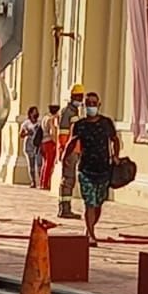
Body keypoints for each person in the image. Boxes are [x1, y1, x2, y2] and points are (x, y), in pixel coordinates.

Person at [64, 92, 119, 246]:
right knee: (89, 202)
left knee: (98, 204)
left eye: (94, 103)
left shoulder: (106, 123)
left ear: (99, 105)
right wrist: (64, 158)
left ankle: (90, 229)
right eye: (88, 103)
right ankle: (91, 236)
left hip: (103, 170)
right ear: (84, 105)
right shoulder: (79, 125)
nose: (91, 106)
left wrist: (115, 156)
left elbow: (115, 140)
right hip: (85, 170)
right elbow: (71, 142)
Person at [56, 83, 86, 219]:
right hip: (69, 150)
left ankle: (65, 207)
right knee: (68, 179)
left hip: (74, 150)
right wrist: (65, 150)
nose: (80, 99)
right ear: (72, 96)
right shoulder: (68, 112)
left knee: (70, 179)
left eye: (81, 97)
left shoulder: (74, 112)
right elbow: (63, 133)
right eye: (78, 97)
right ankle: (64, 209)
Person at [19, 106, 42, 189]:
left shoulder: (39, 122)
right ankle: (33, 181)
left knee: (39, 164)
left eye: (37, 112)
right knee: (31, 164)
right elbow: (21, 135)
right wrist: (27, 133)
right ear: (30, 113)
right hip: (29, 145)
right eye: (34, 112)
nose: (36, 114)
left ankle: (40, 181)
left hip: (37, 145)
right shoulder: (26, 123)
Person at [38, 105, 60, 190]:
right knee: (49, 163)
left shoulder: (44, 118)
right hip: (49, 142)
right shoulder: (51, 119)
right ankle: (45, 183)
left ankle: (42, 182)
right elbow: (52, 132)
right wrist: (55, 141)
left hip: (43, 142)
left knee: (45, 163)